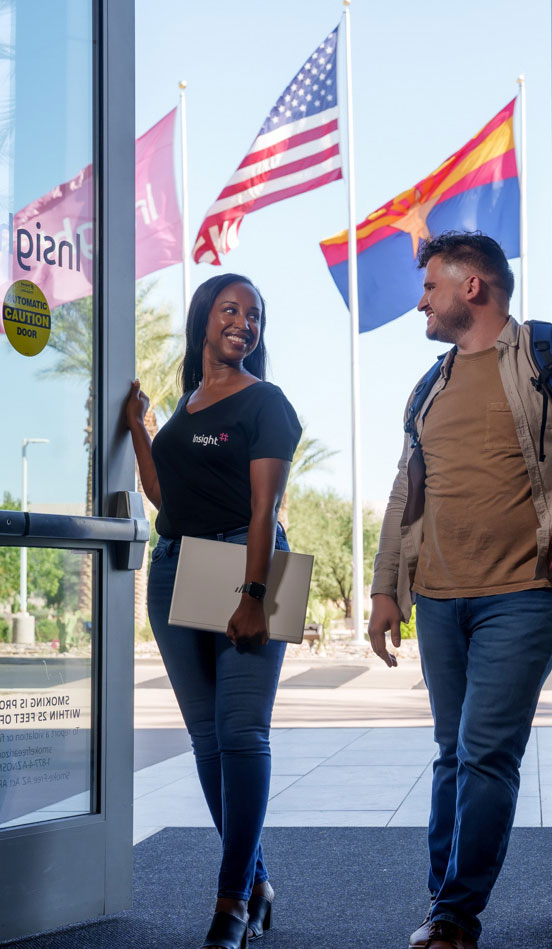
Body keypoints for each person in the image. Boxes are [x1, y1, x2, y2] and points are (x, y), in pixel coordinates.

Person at [367, 232, 552, 949]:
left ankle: (455, 915)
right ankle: (441, 898)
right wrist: (387, 588)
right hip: (441, 598)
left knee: (485, 751)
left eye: (429, 287)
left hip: (528, 589)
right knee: (453, 752)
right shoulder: (430, 384)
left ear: (471, 286)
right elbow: (403, 492)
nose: (421, 300)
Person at [125, 273, 301, 949]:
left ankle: (230, 903)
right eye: (231, 309)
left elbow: (265, 508)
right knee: (205, 738)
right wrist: (141, 428)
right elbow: (163, 493)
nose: (244, 322)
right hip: (175, 567)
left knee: (241, 734)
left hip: (246, 565)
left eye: (254, 314)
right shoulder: (189, 404)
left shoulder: (267, 403)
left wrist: (255, 595)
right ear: (204, 319)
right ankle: (254, 880)